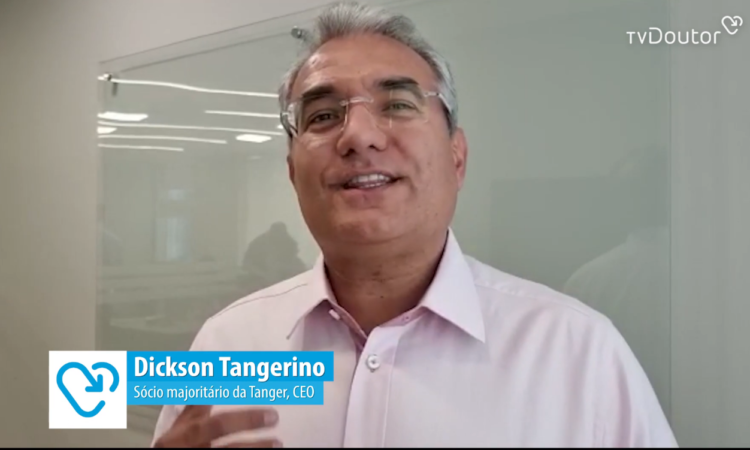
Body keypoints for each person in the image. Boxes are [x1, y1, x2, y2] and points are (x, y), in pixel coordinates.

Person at [151, 2, 677, 447]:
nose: (358, 136)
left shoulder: (578, 353)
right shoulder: (229, 344)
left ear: (457, 158)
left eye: (398, 104)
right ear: (293, 174)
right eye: (323, 116)